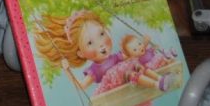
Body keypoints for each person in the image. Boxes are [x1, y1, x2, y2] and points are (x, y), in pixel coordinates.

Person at [34, 10, 174, 92]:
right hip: (116, 84)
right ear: (81, 53)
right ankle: (157, 85)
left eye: (101, 34)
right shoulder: (94, 70)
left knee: (138, 65)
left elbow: (133, 54)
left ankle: (160, 75)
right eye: (90, 43)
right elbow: (81, 86)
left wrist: (144, 42)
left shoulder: (115, 57)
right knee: (132, 73)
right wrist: (67, 70)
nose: (101, 43)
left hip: (128, 77)